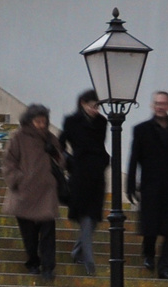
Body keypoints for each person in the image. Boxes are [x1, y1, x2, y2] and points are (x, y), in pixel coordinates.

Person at [126, 91, 168, 282]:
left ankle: (165, 268)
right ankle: (148, 256)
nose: (160, 106)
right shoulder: (141, 129)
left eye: (163, 103)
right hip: (151, 186)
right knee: (150, 227)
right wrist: (130, 185)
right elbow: (134, 159)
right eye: (157, 103)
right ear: (153, 106)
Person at [1, 103, 64, 282]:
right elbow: (8, 162)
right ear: (29, 121)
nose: (41, 125)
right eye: (38, 122)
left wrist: (56, 154)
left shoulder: (49, 138)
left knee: (48, 233)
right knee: (29, 234)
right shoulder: (18, 138)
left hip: (46, 193)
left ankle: (48, 267)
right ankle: (33, 262)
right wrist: (19, 180)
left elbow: (62, 161)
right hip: (25, 194)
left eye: (44, 122)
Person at [60, 90, 108, 275]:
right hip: (80, 175)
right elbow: (61, 144)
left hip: (96, 174)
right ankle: (89, 260)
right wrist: (70, 161)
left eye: (97, 106)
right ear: (83, 103)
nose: (95, 110)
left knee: (93, 218)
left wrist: (104, 161)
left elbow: (99, 145)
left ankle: (78, 251)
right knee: (87, 218)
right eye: (92, 105)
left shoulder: (102, 122)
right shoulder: (72, 121)